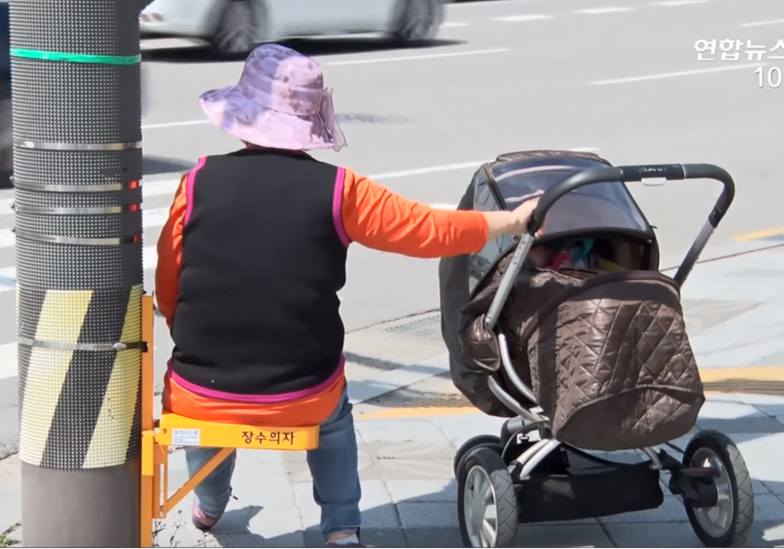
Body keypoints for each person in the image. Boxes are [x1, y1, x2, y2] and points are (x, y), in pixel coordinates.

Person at [154, 43, 540, 547]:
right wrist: (510, 221)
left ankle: (207, 507)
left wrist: (188, 332)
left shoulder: (196, 182)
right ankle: (339, 526)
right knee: (334, 415)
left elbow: (168, 283)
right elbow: (426, 229)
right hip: (303, 392)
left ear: (243, 114)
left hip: (200, 389)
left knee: (199, 411)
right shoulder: (341, 190)